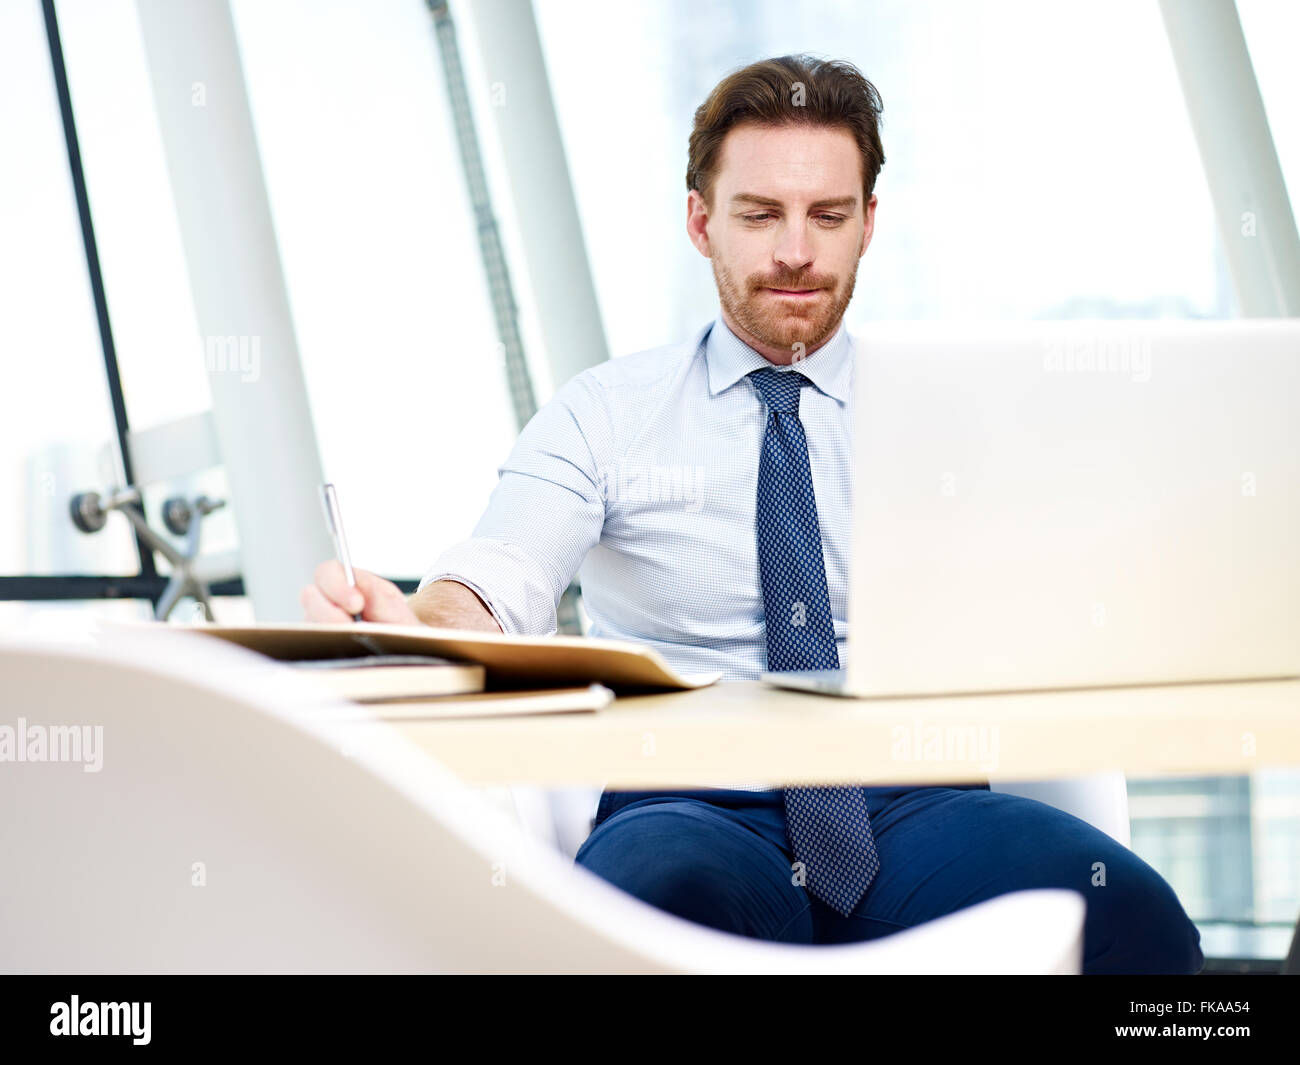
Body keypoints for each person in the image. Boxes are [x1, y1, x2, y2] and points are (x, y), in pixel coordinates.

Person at [302, 54, 1203, 973]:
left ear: (868, 225)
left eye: (829, 215)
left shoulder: (950, 414)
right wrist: (411, 624)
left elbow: (1059, 599)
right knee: (649, 911)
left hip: (915, 796)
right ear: (702, 223)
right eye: (761, 214)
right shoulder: (606, 413)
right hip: (686, 800)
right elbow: (499, 577)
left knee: (1132, 916)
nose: (797, 252)